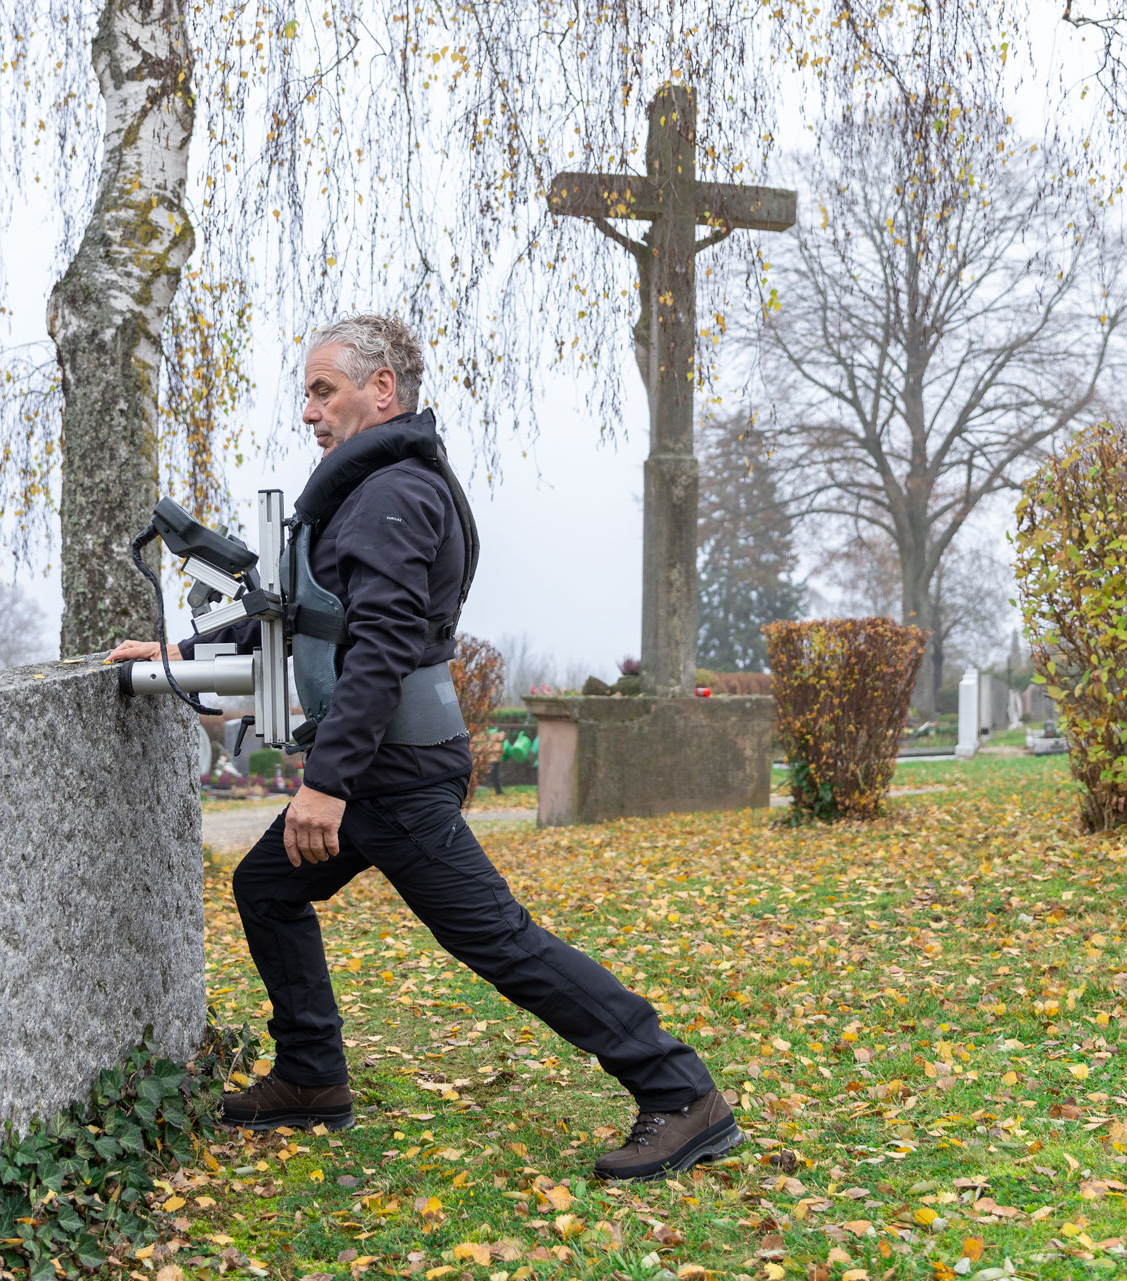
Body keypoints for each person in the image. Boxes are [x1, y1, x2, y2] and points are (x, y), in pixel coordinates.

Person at [107, 313, 742, 1180]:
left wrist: (326, 783)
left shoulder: (393, 494)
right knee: (267, 887)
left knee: (502, 942)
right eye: (306, 394)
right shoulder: (364, 488)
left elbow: (381, 647)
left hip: (391, 772)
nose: (309, 411)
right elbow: (306, 619)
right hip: (379, 768)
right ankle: (310, 1075)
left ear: (382, 389)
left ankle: (680, 1091)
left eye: (324, 390)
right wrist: (181, 653)